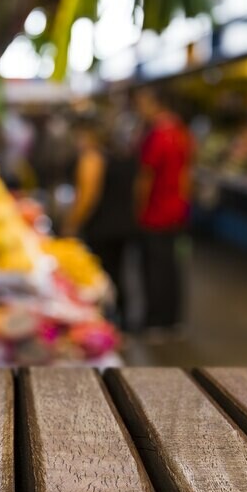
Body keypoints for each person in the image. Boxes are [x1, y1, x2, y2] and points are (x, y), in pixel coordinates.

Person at [63, 118, 138, 328]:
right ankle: (124, 321)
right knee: (119, 272)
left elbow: (88, 195)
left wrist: (71, 223)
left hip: (102, 227)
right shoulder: (120, 155)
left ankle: (109, 322)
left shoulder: (91, 157)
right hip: (122, 225)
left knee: (103, 276)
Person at [134, 87, 193, 337]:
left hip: (155, 213)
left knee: (155, 268)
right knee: (172, 266)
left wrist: (137, 208)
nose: (139, 109)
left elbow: (145, 176)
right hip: (176, 211)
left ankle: (155, 321)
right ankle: (173, 320)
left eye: (142, 103)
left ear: (154, 103)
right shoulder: (182, 132)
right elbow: (187, 173)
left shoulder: (157, 135)